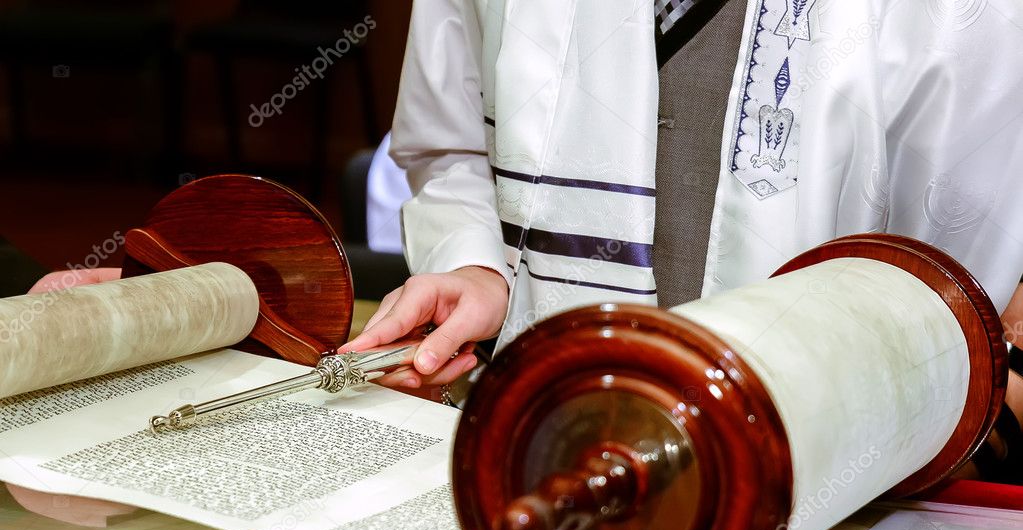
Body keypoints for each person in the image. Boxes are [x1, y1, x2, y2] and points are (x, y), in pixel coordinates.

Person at [342, 0, 1023, 395]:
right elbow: (445, 144)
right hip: (527, 413)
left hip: (823, 471)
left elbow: (959, 282)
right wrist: (475, 264)